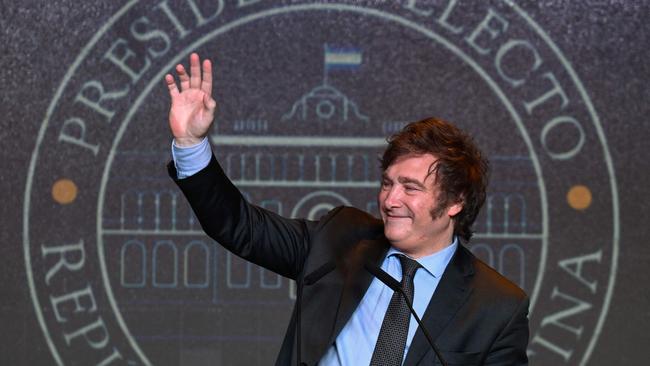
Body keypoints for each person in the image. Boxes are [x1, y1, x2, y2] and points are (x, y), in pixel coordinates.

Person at [165, 53, 529, 366]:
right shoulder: (338, 238)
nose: (390, 200)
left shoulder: (497, 306)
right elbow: (239, 226)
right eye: (388, 183)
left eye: (410, 188)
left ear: (455, 201)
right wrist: (190, 143)